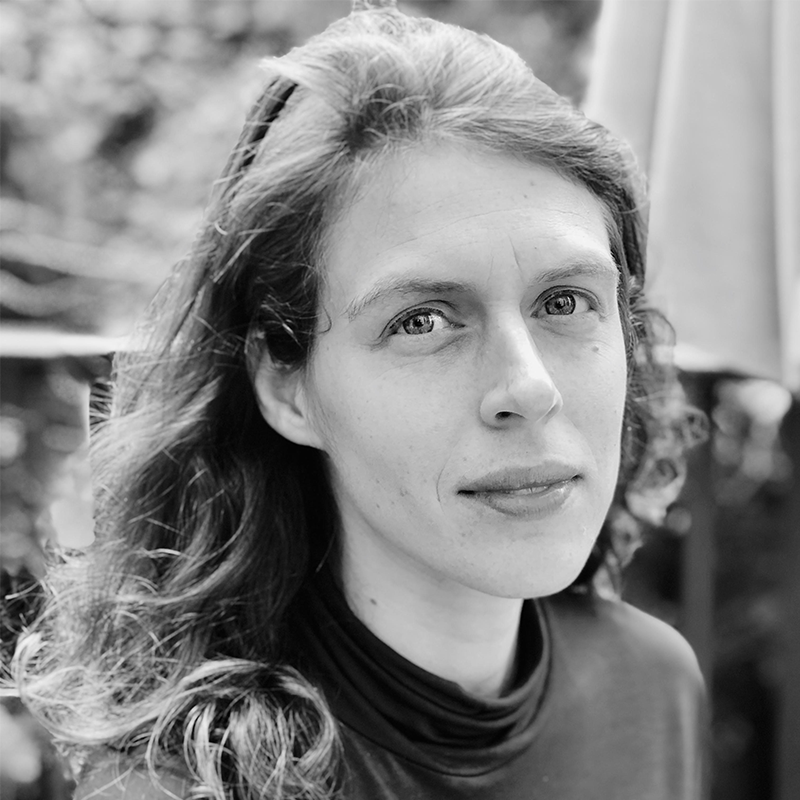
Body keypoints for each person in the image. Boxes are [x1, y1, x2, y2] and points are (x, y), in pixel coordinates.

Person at [14, 1, 707, 798]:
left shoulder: (652, 683)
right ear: (286, 385)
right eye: (422, 321)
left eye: (565, 302)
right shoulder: (184, 785)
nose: (529, 386)